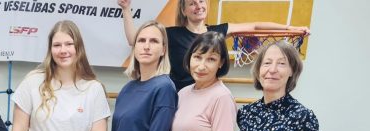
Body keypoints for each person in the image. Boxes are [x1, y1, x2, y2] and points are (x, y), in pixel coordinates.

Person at [118, 0, 310, 91]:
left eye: (201, 1)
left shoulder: (217, 32)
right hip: (180, 97)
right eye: (192, 3)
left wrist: (290, 28)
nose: (198, 6)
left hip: (208, 95)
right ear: (184, 10)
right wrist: (126, 10)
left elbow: (254, 26)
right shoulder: (172, 34)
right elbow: (133, 40)